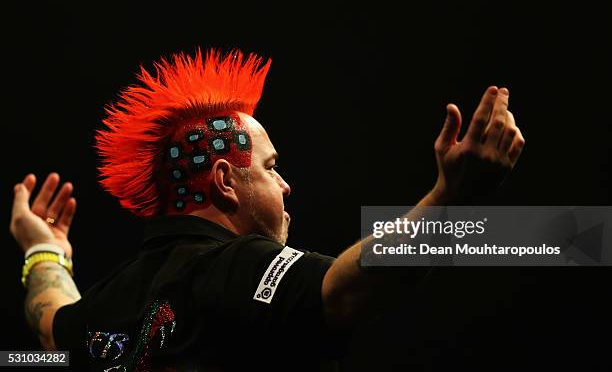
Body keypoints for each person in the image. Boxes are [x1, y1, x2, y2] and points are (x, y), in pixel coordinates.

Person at [10, 48, 525, 371]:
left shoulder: (106, 304)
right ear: (225, 182)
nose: (285, 184)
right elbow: (345, 291)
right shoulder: (234, 264)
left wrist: (43, 250)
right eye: (271, 165)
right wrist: (451, 198)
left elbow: (51, 324)